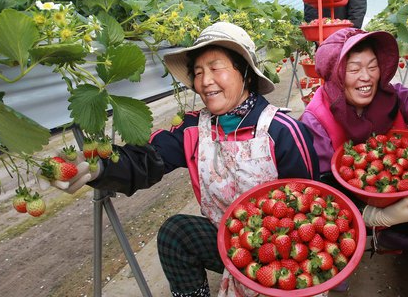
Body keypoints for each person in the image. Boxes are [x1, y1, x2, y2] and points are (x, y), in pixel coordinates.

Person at [45, 22, 320, 297]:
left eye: (215, 68)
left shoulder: (282, 131)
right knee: (176, 234)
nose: (205, 80)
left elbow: (309, 210)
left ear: (245, 73)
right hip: (226, 239)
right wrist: (98, 167)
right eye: (198, 72)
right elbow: (149, 158)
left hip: (283, 249)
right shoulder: (195, 129)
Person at [300, 27, 408, 290]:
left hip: (399, 192)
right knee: (322, 235)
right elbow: (322, 192)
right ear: (335, 73)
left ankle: (394, 236)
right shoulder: (317, 117)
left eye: (372, 66)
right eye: (354, 68)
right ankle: (356, 247)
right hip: (351, 204)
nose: (366, 77)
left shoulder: (388, 95)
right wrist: (370, 215)